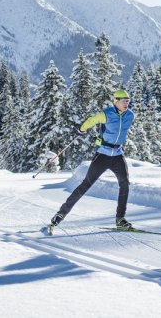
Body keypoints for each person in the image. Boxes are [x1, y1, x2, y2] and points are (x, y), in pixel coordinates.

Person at [46, 89, 135, 234]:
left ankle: (120, 219)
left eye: (128, 100)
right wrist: (81, 129)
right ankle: (60, 215)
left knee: (124, 183)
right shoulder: (107, 114)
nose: (127, 103)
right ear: (116, 101)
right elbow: (91, 120)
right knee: (85, 184)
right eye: (124, 100)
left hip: (118, 154)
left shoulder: (130, 115)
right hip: (103, 155)